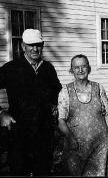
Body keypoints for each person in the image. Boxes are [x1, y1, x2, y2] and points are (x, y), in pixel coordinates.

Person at [0, 29, 62, 176]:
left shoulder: (48, 68)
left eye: (38, 45)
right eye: (30, 45)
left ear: (43, 45)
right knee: (19, 170)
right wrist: (1, 113)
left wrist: (56, 107)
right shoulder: (11, 68)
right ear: (23, 46)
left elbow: (57, 93)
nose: (35, 49)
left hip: (44, 133)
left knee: (43, 170)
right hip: (19, 132)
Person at [58, 54, 108, 176]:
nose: (80, 70)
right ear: (71, 70)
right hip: (76, 145)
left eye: (83, 66)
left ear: (88, 68)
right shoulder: (65, 91)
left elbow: (107, 114)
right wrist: (70, 138)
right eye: (76, 67)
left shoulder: (99, 88)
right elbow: (61, 121)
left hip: (100, 144)